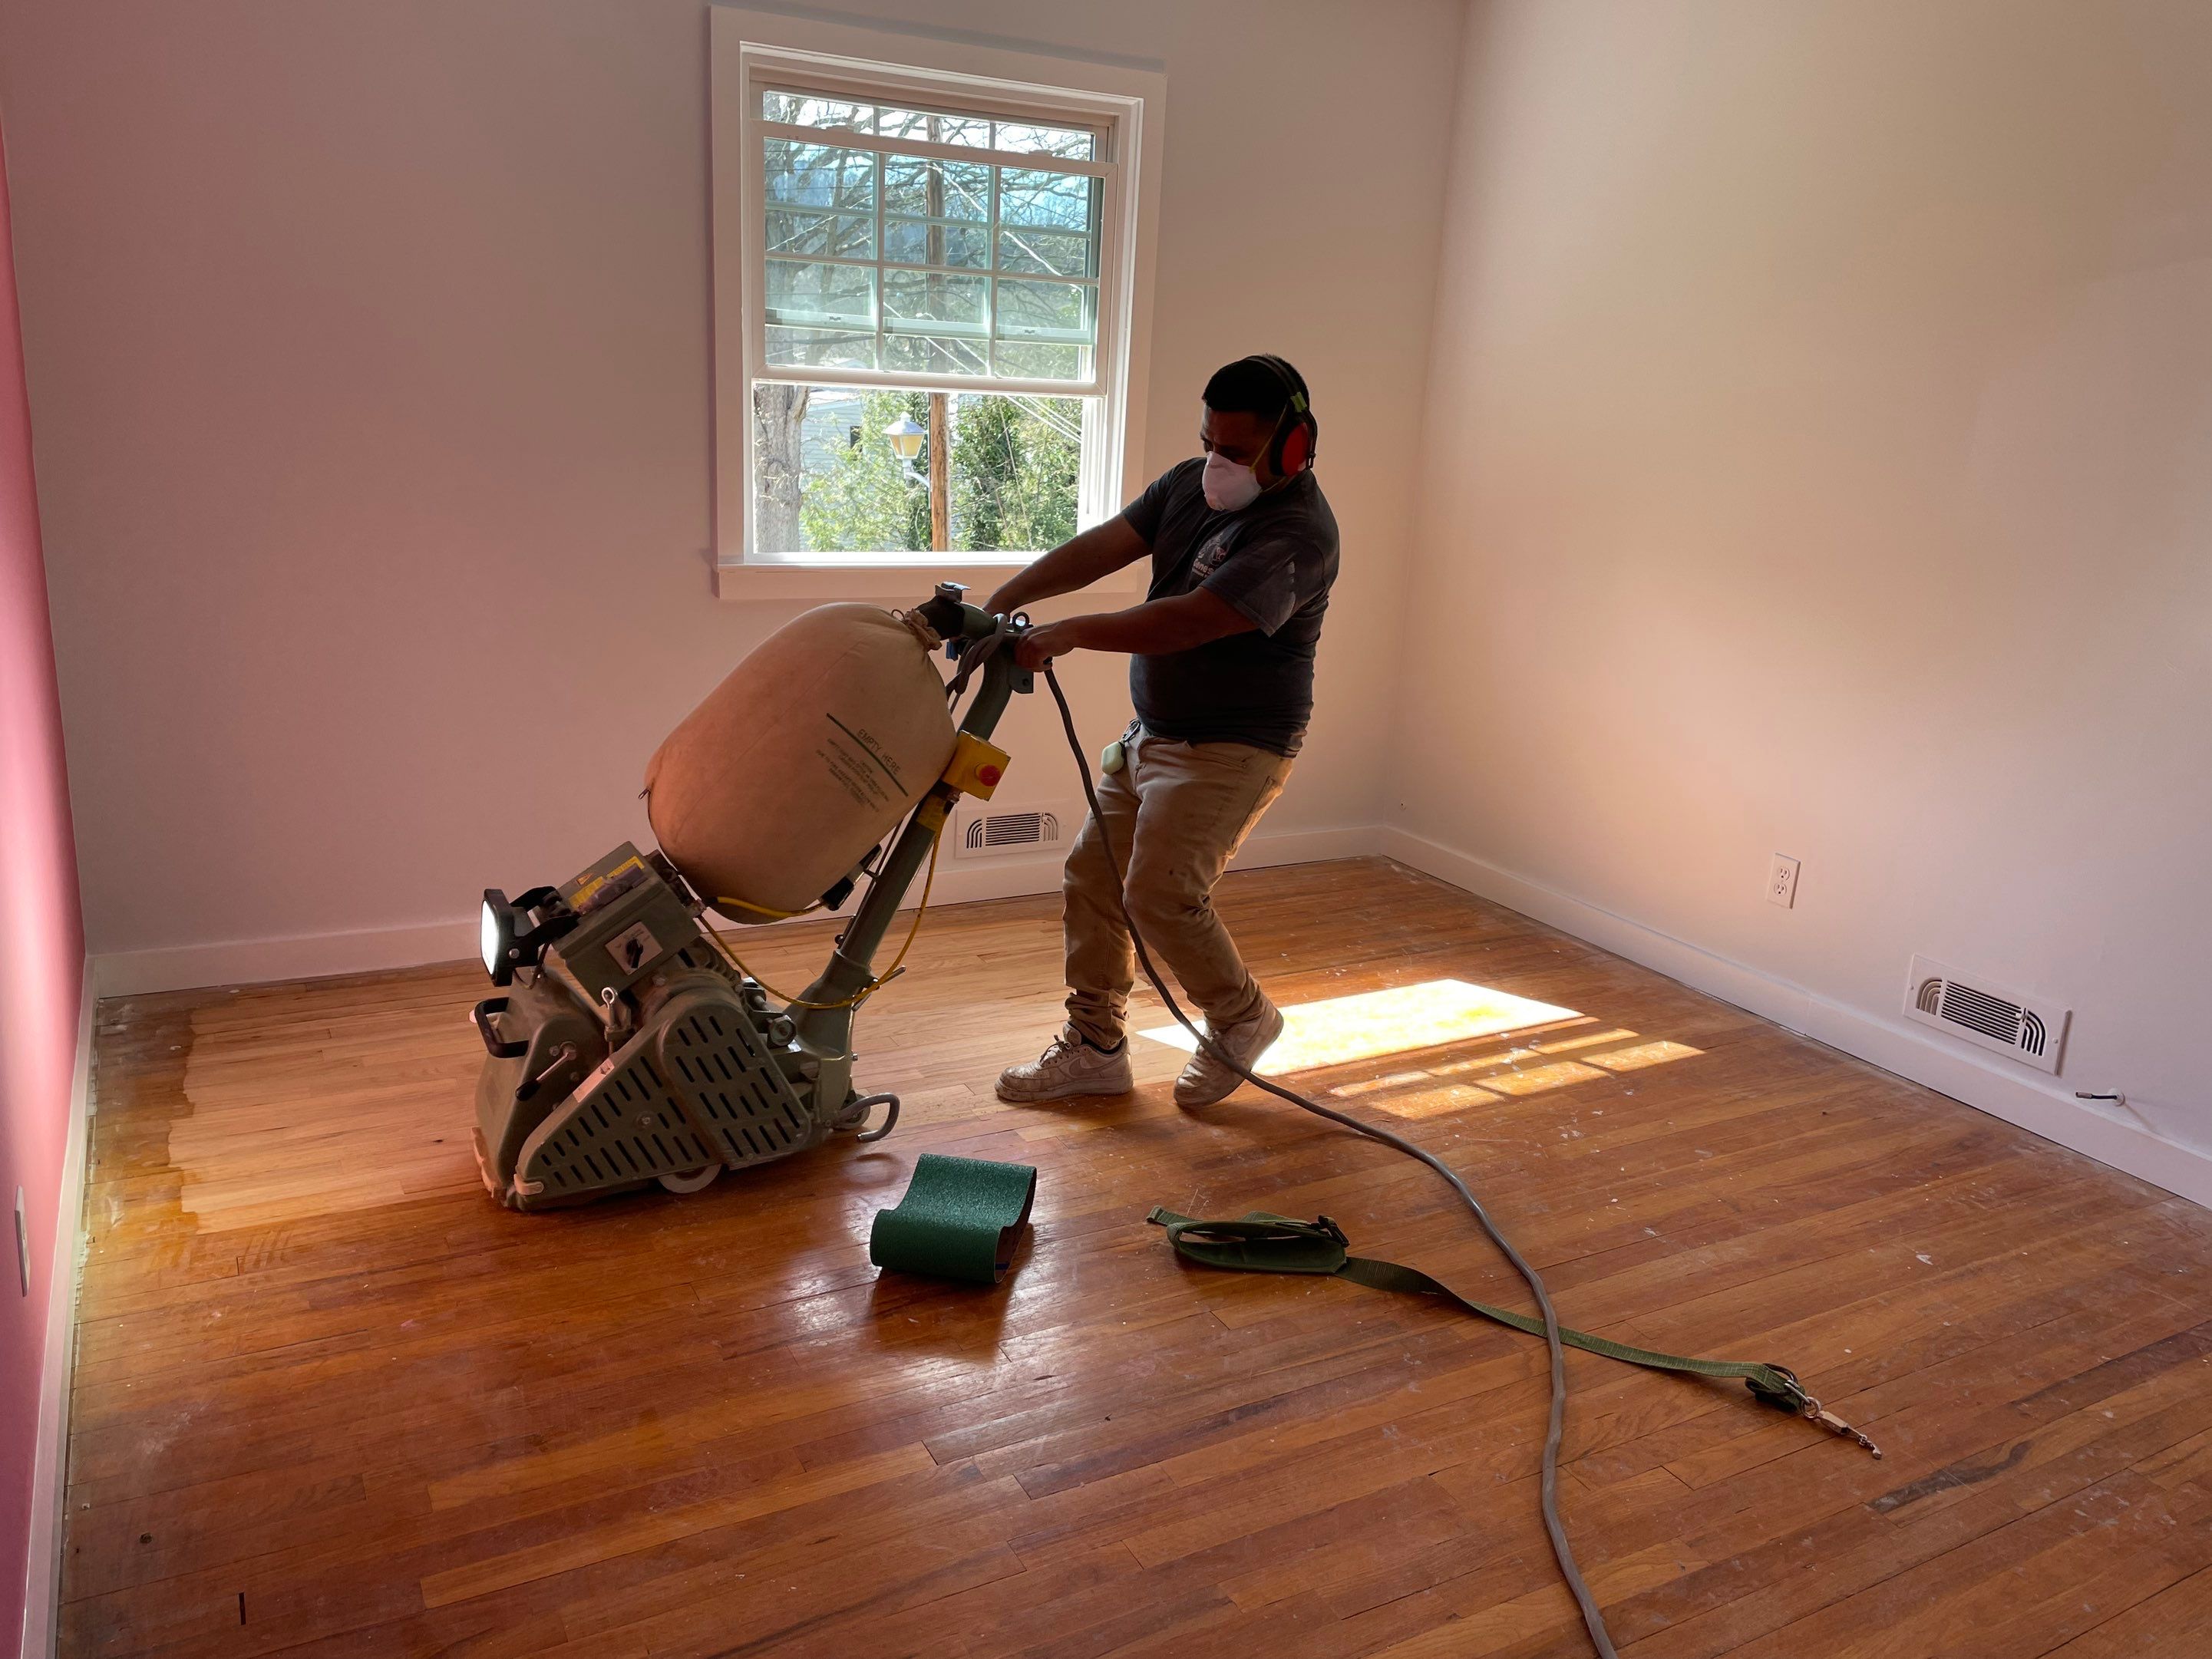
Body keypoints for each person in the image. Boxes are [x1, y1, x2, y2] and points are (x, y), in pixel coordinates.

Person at [987, 355, 1339, 1107]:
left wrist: (1069, 631)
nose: (1217, 462)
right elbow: (1105, 544)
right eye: (1210, 440)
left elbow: (1190, 621)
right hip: (1154, 729)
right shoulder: (1187, 482)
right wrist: (1010, 593)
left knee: (1160, 894)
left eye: (1237, 451)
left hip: (1235, 745)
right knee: (1092, 876)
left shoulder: (1297, 535)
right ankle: (1095, 1045)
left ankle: (1241, 1016)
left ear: (1292, 446)